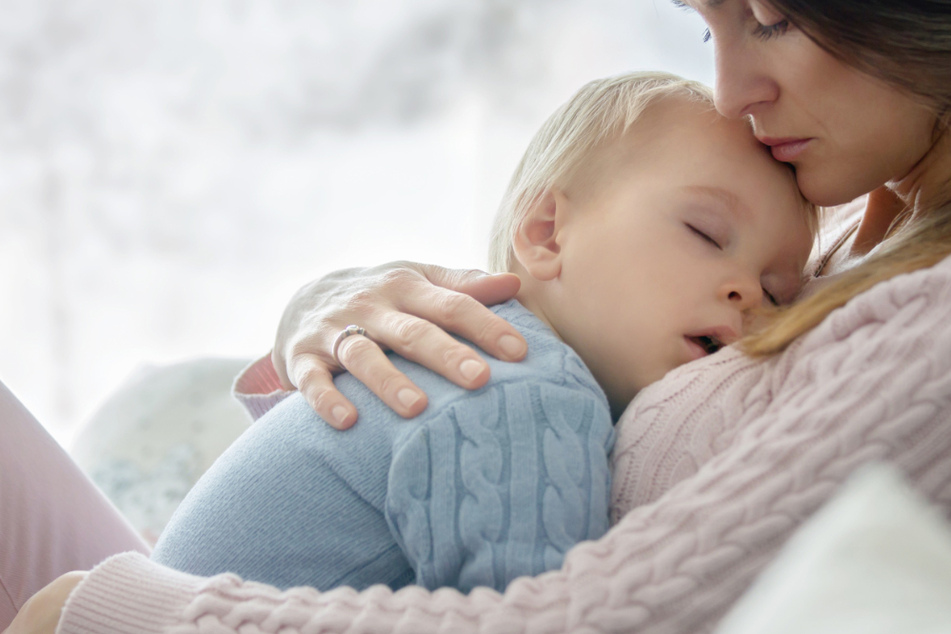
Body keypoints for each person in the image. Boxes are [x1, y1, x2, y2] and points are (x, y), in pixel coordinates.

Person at [6, 0, 951, 632]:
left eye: (773, 17)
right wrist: (332, 310)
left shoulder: (925, 331)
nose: (731, 93)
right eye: (709, 31)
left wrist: (111, 614)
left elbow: (560, 615)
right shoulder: (847, 214)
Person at [145, 71, 814, 595]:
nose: (747, 293)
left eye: (779, 292)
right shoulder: (522, 388)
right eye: (704, 233)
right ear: (546, 233)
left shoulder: (469, 358)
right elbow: (535, 615)